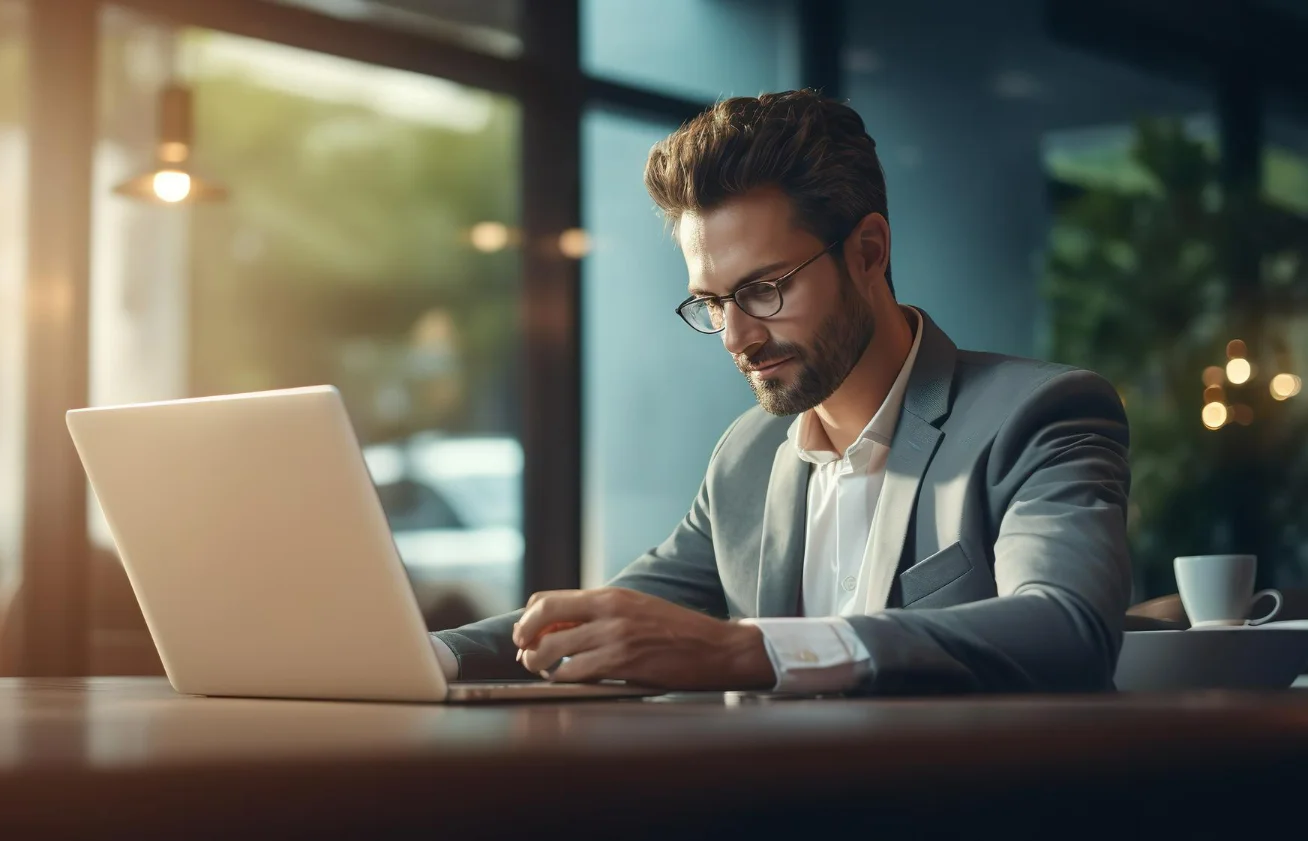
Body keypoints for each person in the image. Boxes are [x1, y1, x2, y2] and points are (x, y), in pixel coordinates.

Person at [431, 89, 1131, 695]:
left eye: (763, 290)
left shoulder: (1040, 414)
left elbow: (1064, 627)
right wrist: (430, 655)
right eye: (711, 302)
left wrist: (747, 648)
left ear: (868, 252)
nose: (737, 337)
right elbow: (605, 618)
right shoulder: (747, 455)